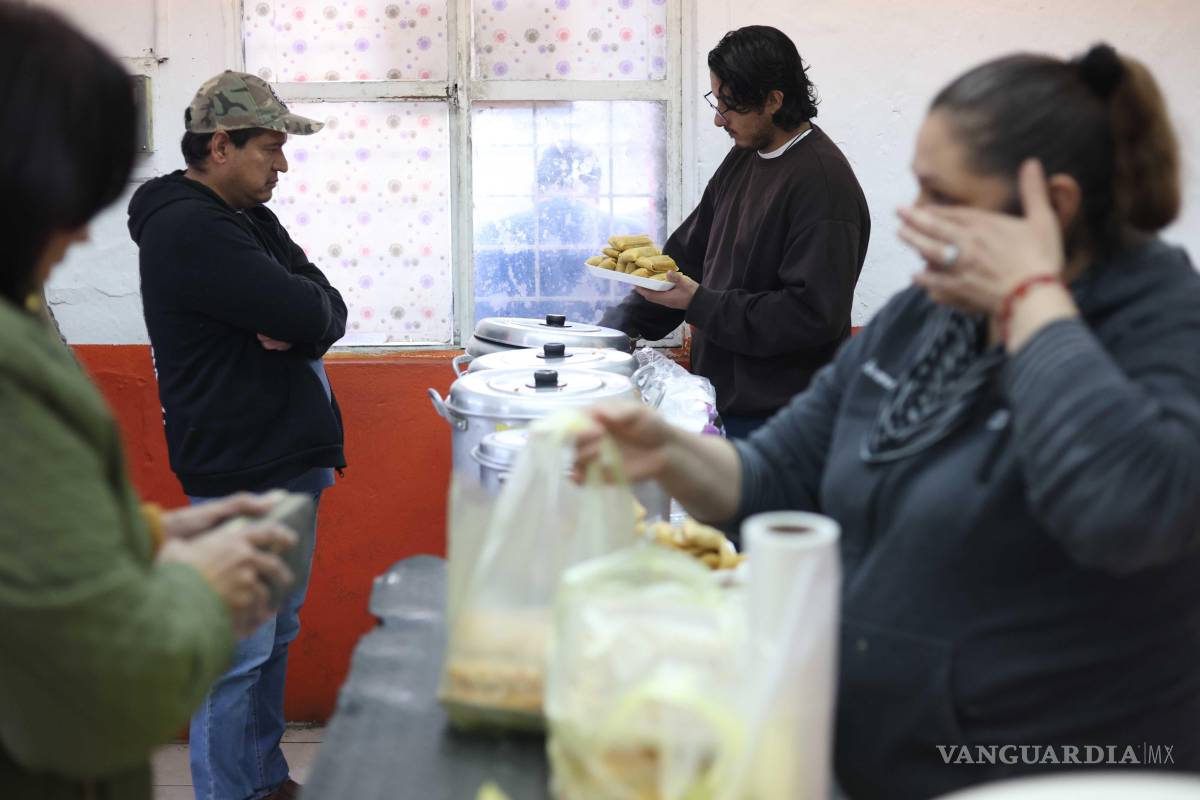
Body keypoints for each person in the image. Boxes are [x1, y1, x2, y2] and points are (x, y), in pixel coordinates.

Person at [578, 44, 1200, 798]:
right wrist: (666, 453)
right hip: (877, 761)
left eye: (943, 196)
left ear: (1054, 207)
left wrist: (1031, 296)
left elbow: (1131, 508)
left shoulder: (1162, 323)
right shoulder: (927, 316)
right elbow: (777, 474)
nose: (915, 219)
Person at [0, 6, 298, 799]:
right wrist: (198, 593)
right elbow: (104, 692)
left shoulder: (22, 311)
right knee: (248, 651)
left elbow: (26, 530)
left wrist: (144, 534)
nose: (75, 239)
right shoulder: (185, 229)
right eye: (62, 204)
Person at [127, 71, 347, 800]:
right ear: (221, 145)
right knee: (238, 651)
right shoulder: (191, 226)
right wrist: (305, 315)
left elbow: (324, 305)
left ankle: (260, 776)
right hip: (242, 464)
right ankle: (228, 790)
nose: (280, 166)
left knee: (273, 637)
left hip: (281, 458)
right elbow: (306, 312)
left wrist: (306, 315)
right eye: (271, 149)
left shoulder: (246, 216)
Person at [600, 25, 870, 438]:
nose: (717, 119)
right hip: (720, 401)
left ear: (773, 101)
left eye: (729, 105)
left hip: (783, 423)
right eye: (716, 100)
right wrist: (618, 328)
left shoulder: (822, 185)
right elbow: (688, 257)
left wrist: (700, 303)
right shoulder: (744, 157)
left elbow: (809, 316)